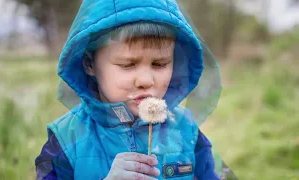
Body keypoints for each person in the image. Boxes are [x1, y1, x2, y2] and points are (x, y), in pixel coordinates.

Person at [35, 0, 224, 179]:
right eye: (127, 65)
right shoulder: (66, 139)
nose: (145, 80)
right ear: (89, 64)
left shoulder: (187, 131)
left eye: (159, 64)